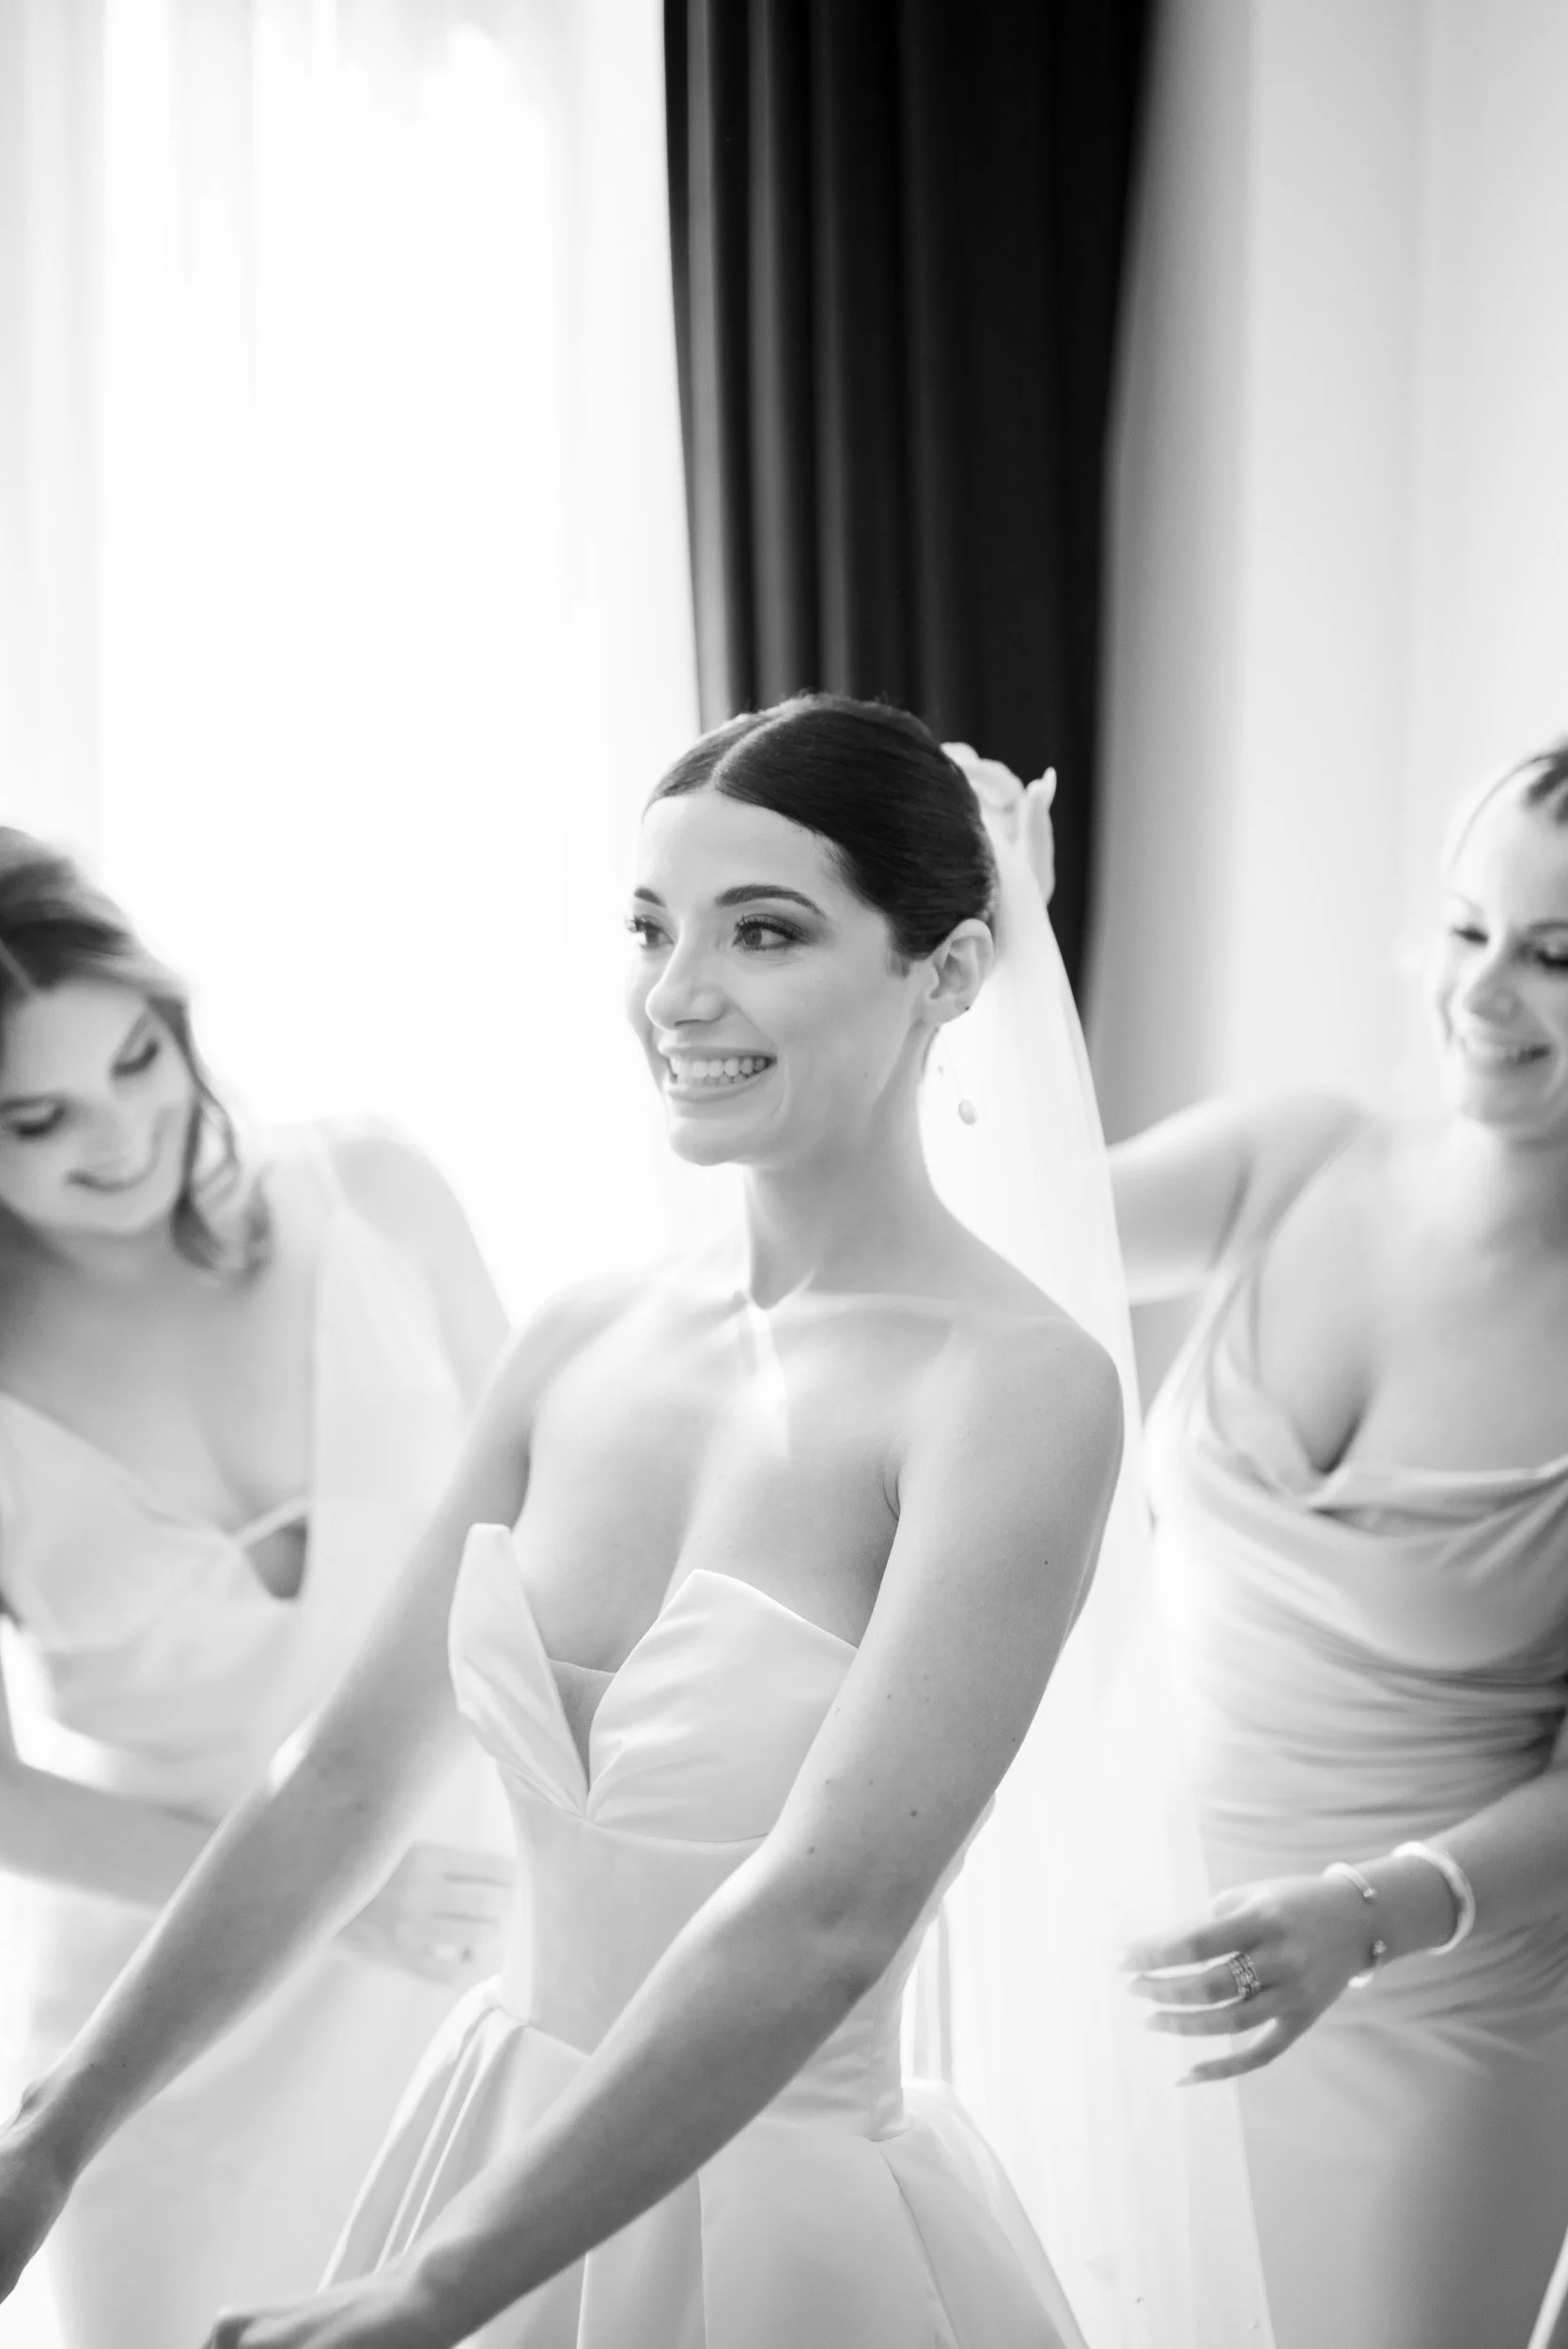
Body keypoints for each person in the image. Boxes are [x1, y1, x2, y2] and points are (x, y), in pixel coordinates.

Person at [0, 697, 1140, 2349]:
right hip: (479, 2135)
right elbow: (338, 1778)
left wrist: (438, 2291)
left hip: (773, 2240)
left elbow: (826, 1914)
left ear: (947, 975)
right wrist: (51, 2136)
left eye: (766, 931)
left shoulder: (1016, 1387)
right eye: (651, 926)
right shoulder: (582, 1339)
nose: (681, 993)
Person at [0, 831, 515, 2345]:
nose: (121, 1135)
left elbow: (556, 1530)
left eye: (141, 1059)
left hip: (487, 1928)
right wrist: (332, 1894)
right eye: (36, 1117)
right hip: (169, 2022)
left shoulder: (372, 1191)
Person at [1109, 745, 1568, 2349]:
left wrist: (1363, 1916)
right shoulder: (1291, 1159)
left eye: (1557, 953)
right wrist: (990, 957)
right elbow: (976, 1246)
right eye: (1466, 930)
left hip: (1432, 2029)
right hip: (1156, 1977)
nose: (1488, 992)